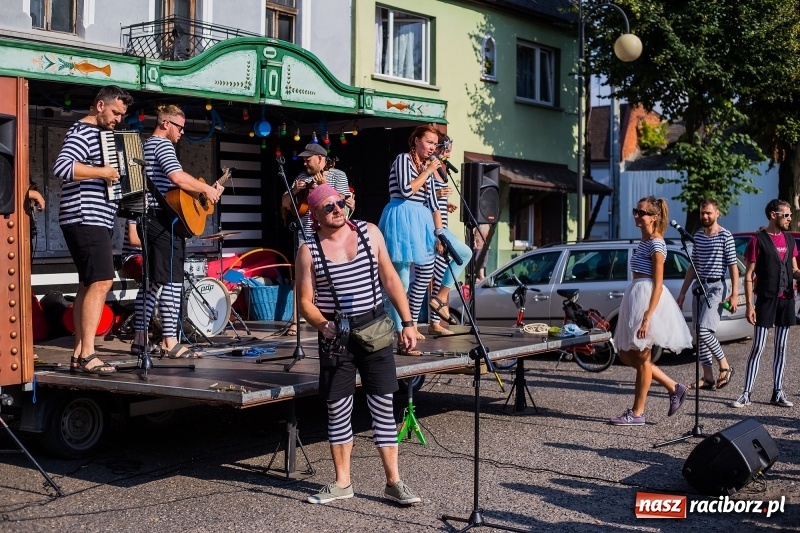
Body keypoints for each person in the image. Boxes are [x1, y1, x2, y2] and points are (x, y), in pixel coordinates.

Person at [296, 184, 421, 506]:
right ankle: (342, 482)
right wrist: (323, 324)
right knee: (338, 409)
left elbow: (390, 277)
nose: (338, 208)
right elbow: (305, 302)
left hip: (375, 329)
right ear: (316, 216)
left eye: (340, 202)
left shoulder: (369, 232)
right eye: (329, 207)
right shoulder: (309, 250)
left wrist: (408, 322)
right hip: (336, 338)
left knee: (382, 406)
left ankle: (394, 482)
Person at [132, 104, 223, 359]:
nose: (182, 132)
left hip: (151, 219)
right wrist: (206, 190)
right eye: (179, 127)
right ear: (165, 124)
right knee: (170, 281)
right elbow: (177, 178)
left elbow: (176, 190)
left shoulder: (146, 145)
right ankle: (169, 341)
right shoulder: (162, 146)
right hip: (160, 221)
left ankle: (140, 339)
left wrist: (205, 193)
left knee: (153, 281)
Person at [53, 85, 133, 374]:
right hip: (84, 216)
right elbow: (62, 167)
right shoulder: (82, 132)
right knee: (102, 282)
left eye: (122, 115)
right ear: (100, 106)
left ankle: (78, 353)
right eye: (115, 112)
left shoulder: (102, 136)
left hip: (95, 217)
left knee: (89, 283)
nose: (118, 120)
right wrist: (104, 172)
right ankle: (88, 354)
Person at [610, 196, 692, 425]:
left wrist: (647, 316)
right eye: (636, 211)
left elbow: (658, 284)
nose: (637, 215)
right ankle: (674, 386)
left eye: (642, 212)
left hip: (648, 300)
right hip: (636, 295)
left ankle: (637, 413)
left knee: (643, 356)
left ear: (654, 217)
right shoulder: (644, 242)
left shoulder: (657, 243)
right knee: (627, 354)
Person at [378, 125, 446, 352]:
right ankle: (401, 337)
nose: (432, 147)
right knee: (401, 281)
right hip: (401, 218)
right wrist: (427, 172)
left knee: (426, 272)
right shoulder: (403, 160)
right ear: (416, 141)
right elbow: (407, 191)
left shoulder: (426, 167)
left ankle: (412, 324)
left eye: (435, 144)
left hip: (421, 221)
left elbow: (434, 203)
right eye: (429, 142)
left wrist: (440, 232)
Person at [731, 199, 799, 409]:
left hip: (786, 299)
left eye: (790, 215)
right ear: (773, 215)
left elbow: (794, 269)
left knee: (781, 347)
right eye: (786, 215)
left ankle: (777, 392)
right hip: (766, 300)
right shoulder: (758, 240)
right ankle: (746, 393)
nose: (789, 219)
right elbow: (749, 275)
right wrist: (750, 306)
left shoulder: (789, 241)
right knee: (758, 347)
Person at [281, 144, 354, 336]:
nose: (304, 162)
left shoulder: (338, 175)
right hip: (304, 232)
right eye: (304, 159)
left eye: (308, 159)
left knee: (333, 275)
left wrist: (322, 186)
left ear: (321, 159)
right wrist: (294, 191)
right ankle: (295, 323)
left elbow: (342, 204)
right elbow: (285, 203)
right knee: (301, 279)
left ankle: (332, 317)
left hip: (328, 235)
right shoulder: (301, 177)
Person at [676, 199, 738, 390]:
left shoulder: (725, 236)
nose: (705, 216)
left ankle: (725, 366)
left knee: (704, 330)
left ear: (717, 213)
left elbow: (733, 266)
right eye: (702, 213)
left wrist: (734, 294)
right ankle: (708, 377)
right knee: (699, 334)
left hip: (716, 287)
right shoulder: (699, 237)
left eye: (708, 213)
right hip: (698, 287)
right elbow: (692, 267)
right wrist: (682, 293)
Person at [428, 136, 471, 336]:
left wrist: (446, 203)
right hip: (432, 228)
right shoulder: (427, 167)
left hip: (443, 226)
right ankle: (435, 311)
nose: (448, 154)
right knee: (463, 254)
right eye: (446, 150)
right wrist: (437, 197)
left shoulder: (440, 169)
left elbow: (435, 200)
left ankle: (435, 322)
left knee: (439, 274)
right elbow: (419, 197)